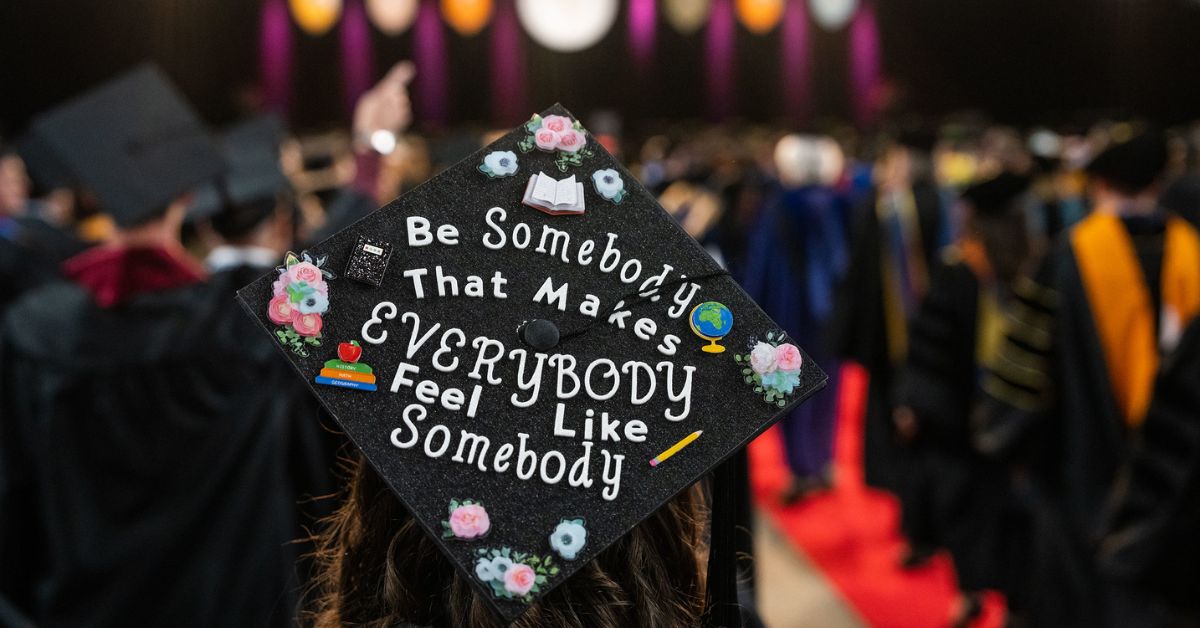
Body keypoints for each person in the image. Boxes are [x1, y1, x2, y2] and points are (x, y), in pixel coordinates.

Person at [0, 65, 324, 627]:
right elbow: (334, 274)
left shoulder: (35, 331)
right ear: (187, 196)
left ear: (91, 192)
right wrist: (370, 164)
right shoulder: (236, 327)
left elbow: (14, 501)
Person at [977, 127, 1200, 627]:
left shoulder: (1065, 258)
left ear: (1099, 183)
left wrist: (1008, 442)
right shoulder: (1195, 251)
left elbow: (1023, 385)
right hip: (1180, 497)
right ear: (1160, 181)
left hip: (1083, 480)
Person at [894, 172, 1035, 626]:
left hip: (975, 421)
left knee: (976, 511)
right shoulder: (1026, 267)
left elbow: (926, 350)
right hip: (995, 420)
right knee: (1000, 514)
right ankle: (1004, 600)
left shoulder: (965, 269)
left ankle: (979, 594)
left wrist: (917, 404)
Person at [833, 128, 946, 567]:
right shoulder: (948, 205)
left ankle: (918, 527)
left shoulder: (892, 211)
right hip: (940, 347)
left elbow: (866, 286)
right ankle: (930, 523)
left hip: (901, 345)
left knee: (905, 433)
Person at [743, 134, 848, 502]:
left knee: (789, 387)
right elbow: (841, 262)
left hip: (786, 312)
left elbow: (761, 264)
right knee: (828, 388)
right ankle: (823, 463)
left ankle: (801, 468)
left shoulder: (778, 207)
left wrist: (753, 312)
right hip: (829, 316)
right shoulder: (835, 204)